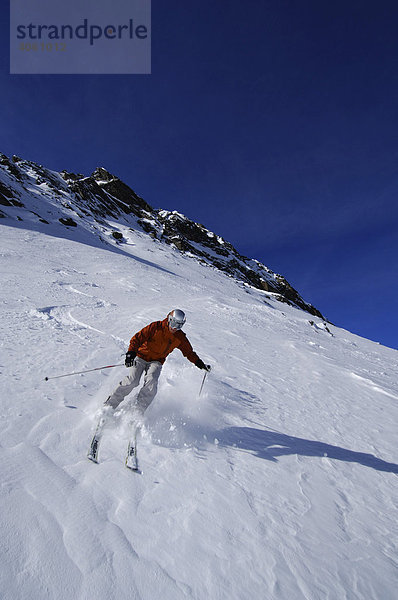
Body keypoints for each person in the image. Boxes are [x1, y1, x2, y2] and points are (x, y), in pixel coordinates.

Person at [104, 309, 210, 417]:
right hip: (141, 356)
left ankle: (136, 412)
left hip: (156, 362)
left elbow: (189, 352)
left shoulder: (180, 337)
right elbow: (137, 338)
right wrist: (131, 353)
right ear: (169, 319)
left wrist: (200, 364)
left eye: (179, 326)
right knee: (132, 381)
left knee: (151, 385)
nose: (174, 328)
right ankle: (109, 405)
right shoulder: (156, 327)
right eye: (173, 323)